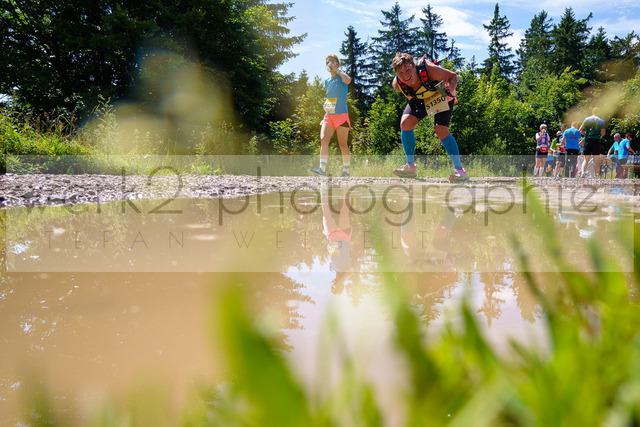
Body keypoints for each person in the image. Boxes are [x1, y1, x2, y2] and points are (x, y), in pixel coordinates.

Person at [390, 52, 468, 181]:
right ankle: (410, 167)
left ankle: (460, 171)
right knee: (405, 123)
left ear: (414, 66)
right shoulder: (397, 84)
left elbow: (454, 77)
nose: (405, 75)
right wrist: (420, 112)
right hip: (422, 98)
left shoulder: (428, 69)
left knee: (440, 129)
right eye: (401, 73)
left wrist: (451, 91)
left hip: (442, 93)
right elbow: (409, 96)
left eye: (408, 70)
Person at [309, 54, 352, 177]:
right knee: (324, 140)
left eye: (332, 62)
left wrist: (337, 70)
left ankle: (346, 171)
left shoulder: (341, 77)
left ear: (337, 64)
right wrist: (326, 113)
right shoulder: (327, 81)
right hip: (329, 115)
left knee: (342, 145)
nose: (329, 64)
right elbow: (330, 98)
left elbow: (348, 80)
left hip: (341, 115)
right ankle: (321, 169)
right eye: (328, 62)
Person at [579, 108, 606, 178]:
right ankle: (596, 176)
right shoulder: (601, 121)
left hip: (587, 140)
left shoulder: (586, 119)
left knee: (586, 159)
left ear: (592, 112)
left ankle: (583, 173)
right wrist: (598, 135)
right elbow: (603, 133)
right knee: (596, 160)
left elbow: (580, 130)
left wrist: (585, 134)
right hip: (596, 140)